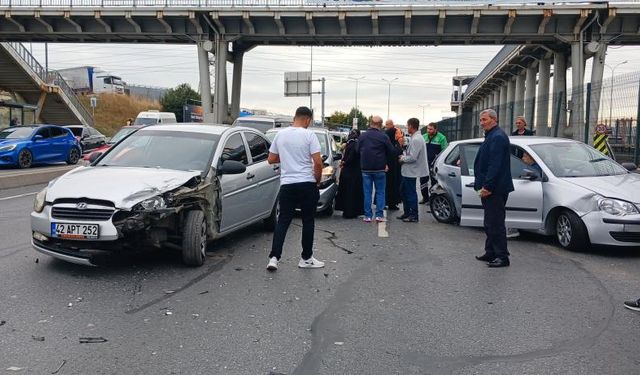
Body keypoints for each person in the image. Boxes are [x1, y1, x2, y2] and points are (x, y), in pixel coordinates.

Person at [266, 106, 325, 271]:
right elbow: (318, 162)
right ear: (307, 119)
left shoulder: (281, 134)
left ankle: (274, 258)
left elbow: (271, 159)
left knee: (283, 220)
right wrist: (317, 180)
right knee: (308, 221)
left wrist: (286, 156)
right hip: (307, 183)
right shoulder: (309, 135)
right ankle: (306, 258)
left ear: (295, 117)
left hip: (287, 184)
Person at [474, 109, 514, 268]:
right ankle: (490, 251)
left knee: (495, 222)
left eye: (484, 119)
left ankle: (502, 256)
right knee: (489, 221)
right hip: (490, 188)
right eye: (481, 120)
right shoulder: (491, 136)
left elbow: (495, 165)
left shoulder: (497, 137)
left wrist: (487, 186)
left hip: (494, 189)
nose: (482, 122)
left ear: (494, 119)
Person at [357, 115, 396, 223]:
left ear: (370, 123)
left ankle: (368, 215)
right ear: (381, 125)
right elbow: (391, 151)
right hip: (380, 168)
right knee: (380, 192)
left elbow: (357, 150)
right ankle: (379, 215)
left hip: (366, 168)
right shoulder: (383, 137)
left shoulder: (363, 136)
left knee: (367, 192)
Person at [398, 118, 429, 222]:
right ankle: (407, 212)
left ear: (411, 126)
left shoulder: (416, 139)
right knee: (404, 191)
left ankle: (413, 215)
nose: (407, 127)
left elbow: (413, 157)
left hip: (411, 171)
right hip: (408, 171)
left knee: (410, 193)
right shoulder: (415, 138)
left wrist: (402, 158)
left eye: (407, 125)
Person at [334, 129, 364, 219]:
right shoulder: (358, 143)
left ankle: (348, 211)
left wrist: (344, 163)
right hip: (356, 171)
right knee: (354, 192)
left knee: (347, 191)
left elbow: (350, 157)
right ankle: (354, 211)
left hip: (348, 171)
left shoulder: (351, 143)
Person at [420, 122, 448, 205]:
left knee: (434, 182)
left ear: (435, 129)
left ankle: (432, 199)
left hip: (435, 164)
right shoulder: (423, 137)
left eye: (431, 129)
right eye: (428, 129)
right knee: (423, 181)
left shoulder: (441, 138)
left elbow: (444, 151)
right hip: (424, 163)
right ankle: (425, 198)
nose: (428, 130)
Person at [384, 119, 404, 210]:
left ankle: (392, 203)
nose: (398, 135)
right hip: (389, 167)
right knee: (387, 185)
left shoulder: (395, 143)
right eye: (396, 134)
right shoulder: (388, 143)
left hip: (395, 167)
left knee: (393, 185)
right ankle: (385, 202)